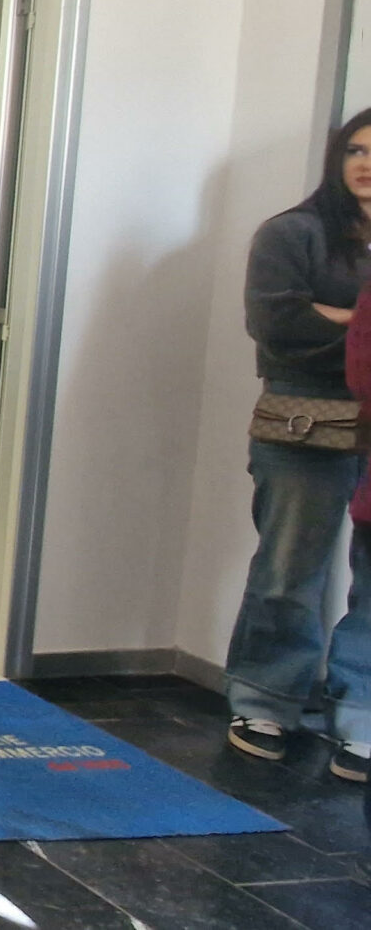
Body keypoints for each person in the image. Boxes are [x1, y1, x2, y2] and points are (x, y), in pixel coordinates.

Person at [238, 105, 371, 776]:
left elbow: (315, 323)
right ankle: (265, 701)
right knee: (290, 571)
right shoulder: (293, 232)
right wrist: (360, 326)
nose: (366, 164)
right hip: (304, 423)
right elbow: (279, 326)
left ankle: (361, 719)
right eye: (356, 150)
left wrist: (340, 315)